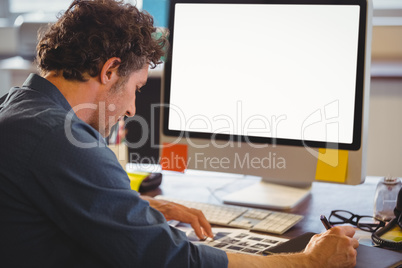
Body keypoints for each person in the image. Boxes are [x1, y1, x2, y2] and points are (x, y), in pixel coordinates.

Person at [0, 0, 359, 267]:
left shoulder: (17, 108)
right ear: (110, 70)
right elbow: (173, 260)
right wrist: (310, 262)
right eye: (137, 87)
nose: (131, 109)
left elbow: (53, 199)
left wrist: (135, 206)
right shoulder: (61, 140)